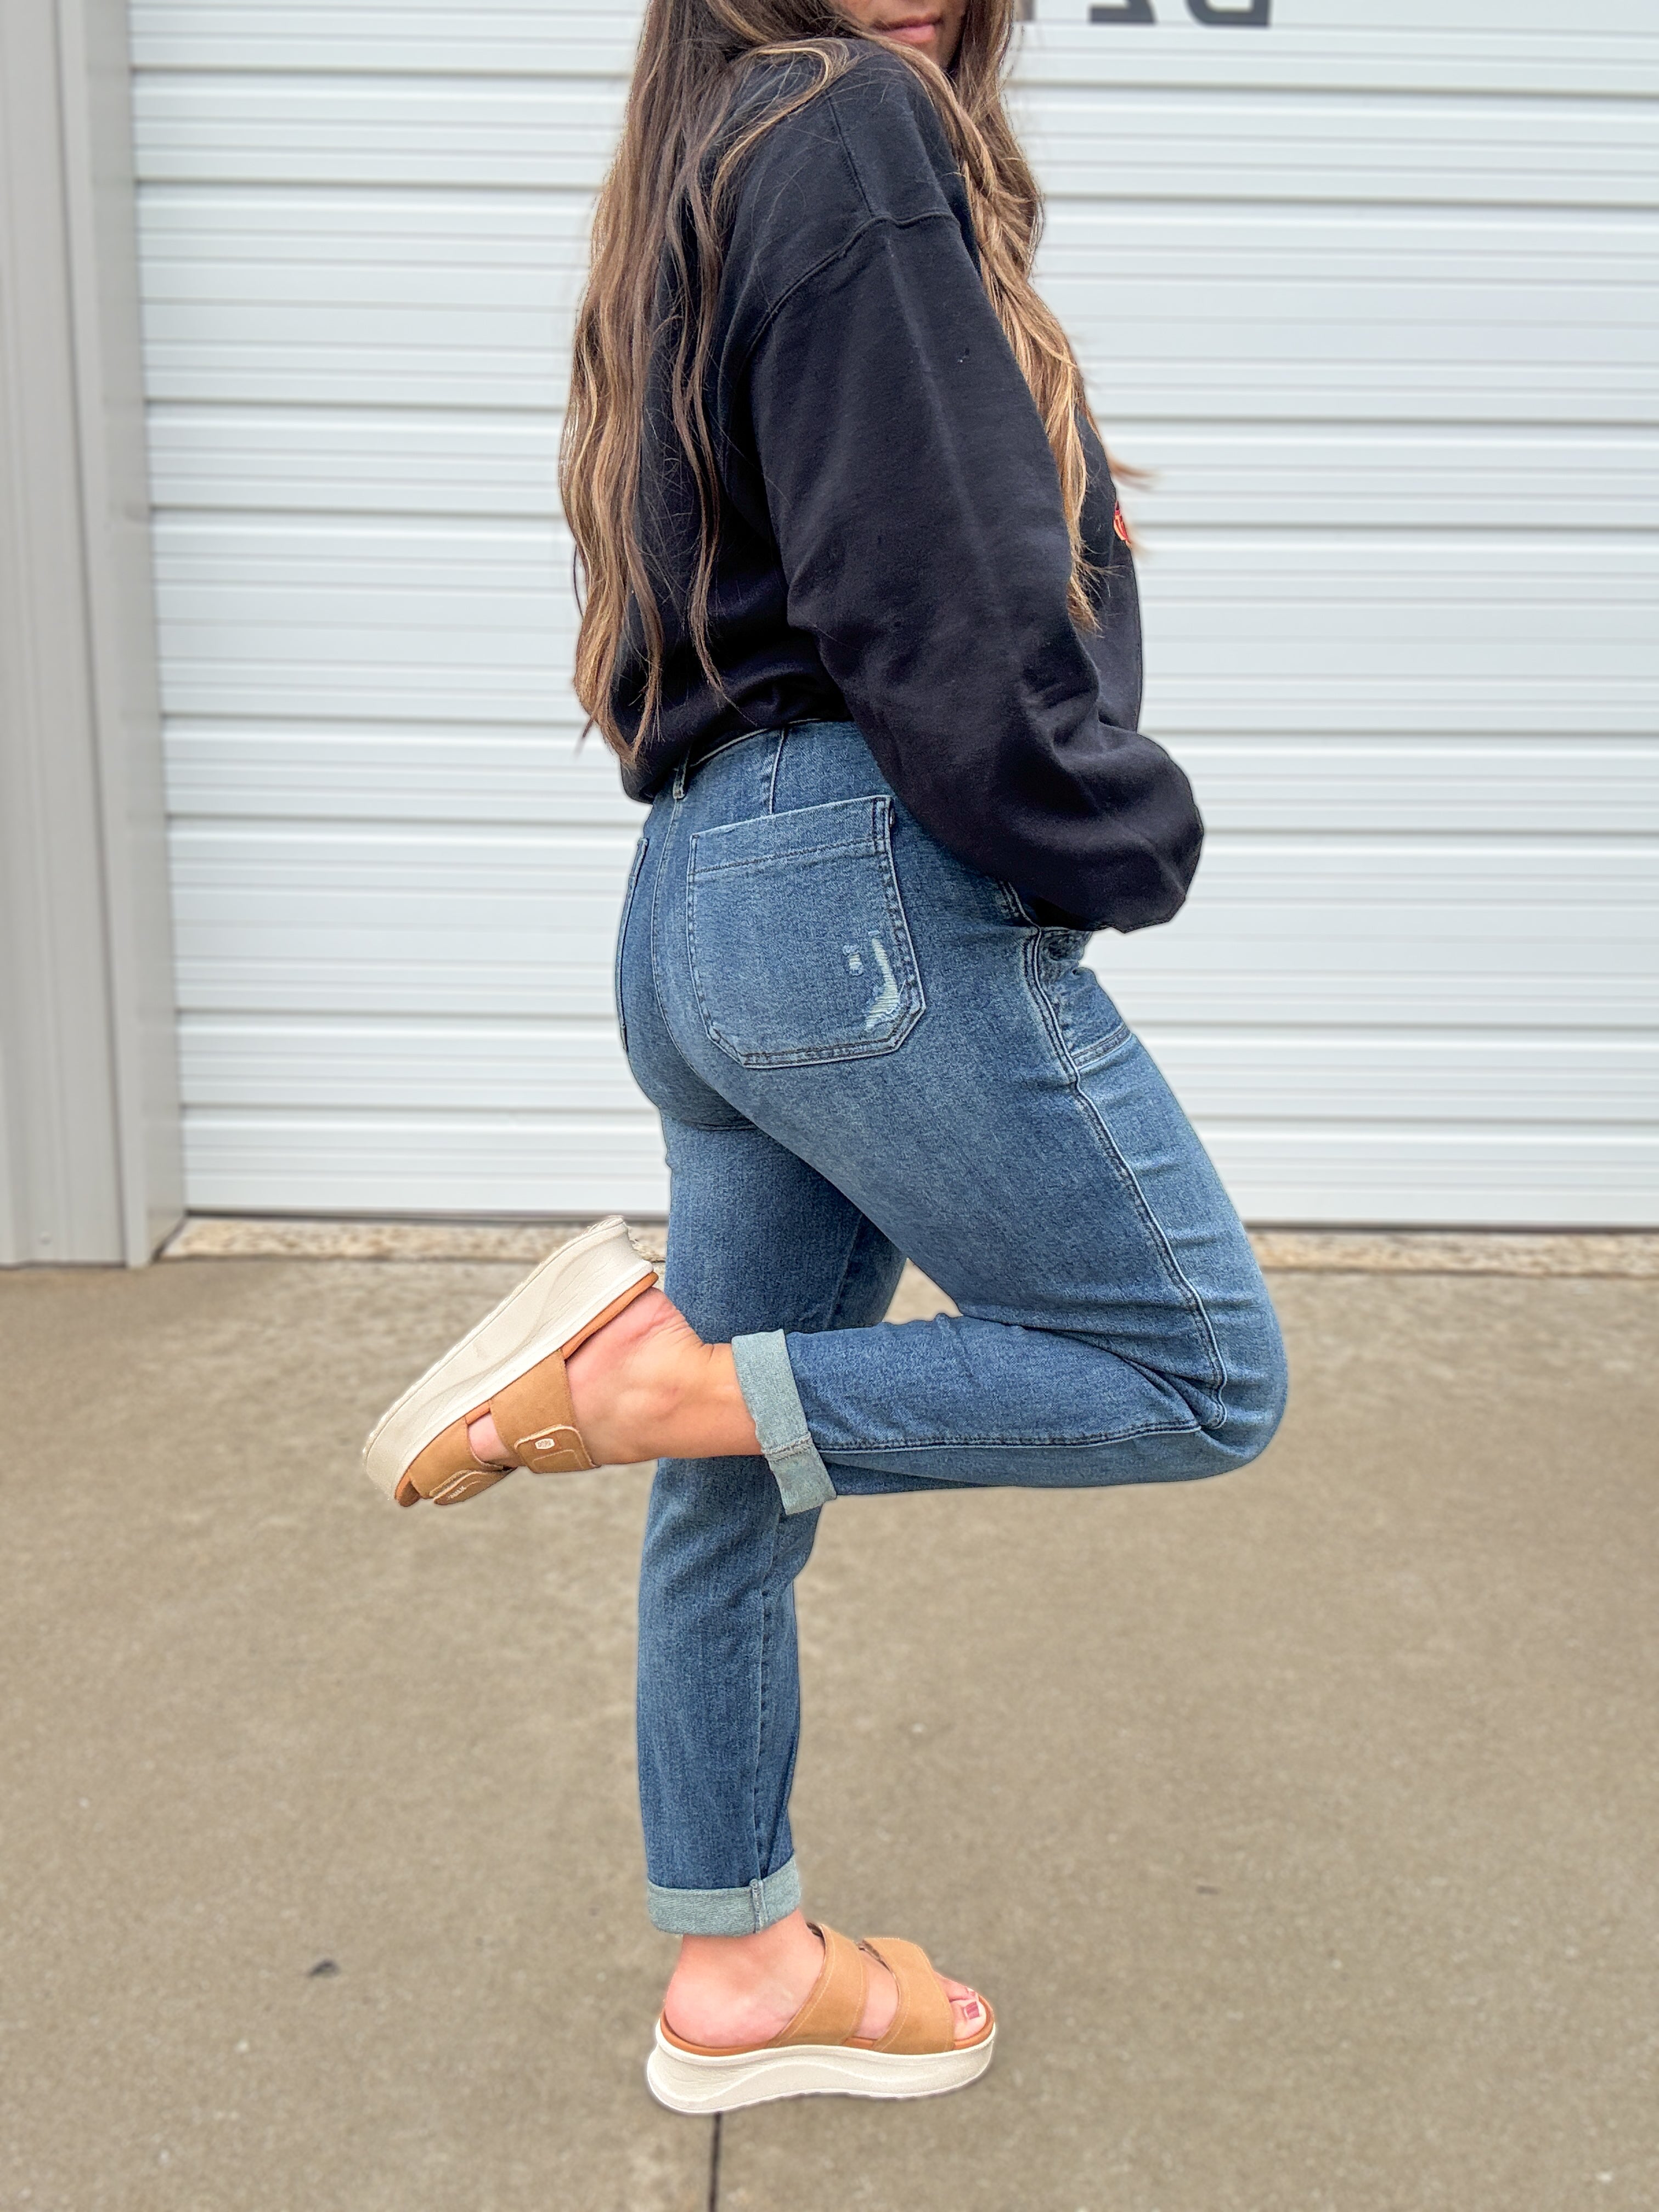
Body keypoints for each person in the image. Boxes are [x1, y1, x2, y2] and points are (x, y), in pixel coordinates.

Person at [363, 0, 1288, 2115]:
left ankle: (739, 1971)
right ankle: (635, 1384)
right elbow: (931, 583)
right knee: (1194, 1371)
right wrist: (1109, 828)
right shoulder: (852, 120)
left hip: (703, 901)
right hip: (851, 890)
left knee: (736, 1459)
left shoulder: (700, 169)